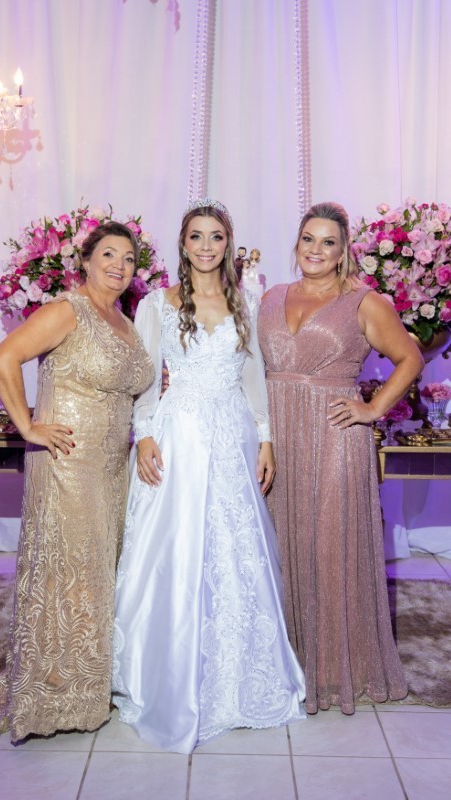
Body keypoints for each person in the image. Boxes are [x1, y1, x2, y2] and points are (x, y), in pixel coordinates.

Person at [112, 199, 305, 754]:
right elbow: (146, 378)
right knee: (174, 550)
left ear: (227, 243)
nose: (205, 246)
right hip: (178, 435)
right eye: (196, 236)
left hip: (232, 434)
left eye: (215, 236)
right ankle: (166, 675)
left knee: (232, 549)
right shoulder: (158, 303)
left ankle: (237, 676)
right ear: (183, 243)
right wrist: (145, 433)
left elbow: (253, 376)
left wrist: (265, 438)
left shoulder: (247, 301)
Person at [0, 222, 154, 743]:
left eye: (128, 258)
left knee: (99, 572)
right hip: (68, 463)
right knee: (67, 572)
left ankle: (87, 683)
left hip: (113, 467)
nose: (119, 266)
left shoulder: (125, 322)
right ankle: (53, 691)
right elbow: (4, 357)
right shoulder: (68, 310)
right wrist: (28, 426)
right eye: (108, 254)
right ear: (85, 260)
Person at [257, 201, 424, 715]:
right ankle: (283, 662)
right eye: (309, 238)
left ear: (343, 250)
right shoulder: (271, 296)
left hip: (334, 438)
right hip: (276, 437)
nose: (316, 250)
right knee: (278, 543)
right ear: (297, 242)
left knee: (330, 546)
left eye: (328, 242)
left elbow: (410, 358)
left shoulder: (364, 302)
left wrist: (372, 409)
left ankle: (333, 668)